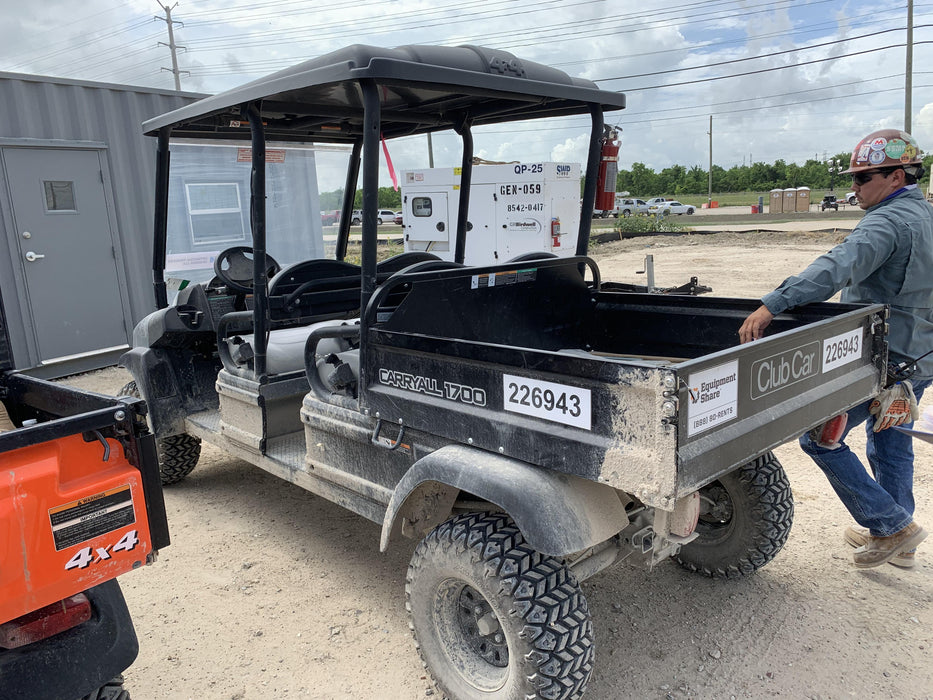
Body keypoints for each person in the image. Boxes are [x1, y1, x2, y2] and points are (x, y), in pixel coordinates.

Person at [739, 128, 933, 569]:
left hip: (887, 360)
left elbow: (837, 267)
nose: (854, 188)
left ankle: (891, 526)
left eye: (863, 179)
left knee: (821, 438)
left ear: (896, 176)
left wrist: (774, 303)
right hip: (919, 356)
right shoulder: (926, 215)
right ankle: (900, 539)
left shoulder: (888, 222)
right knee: (891, 444)